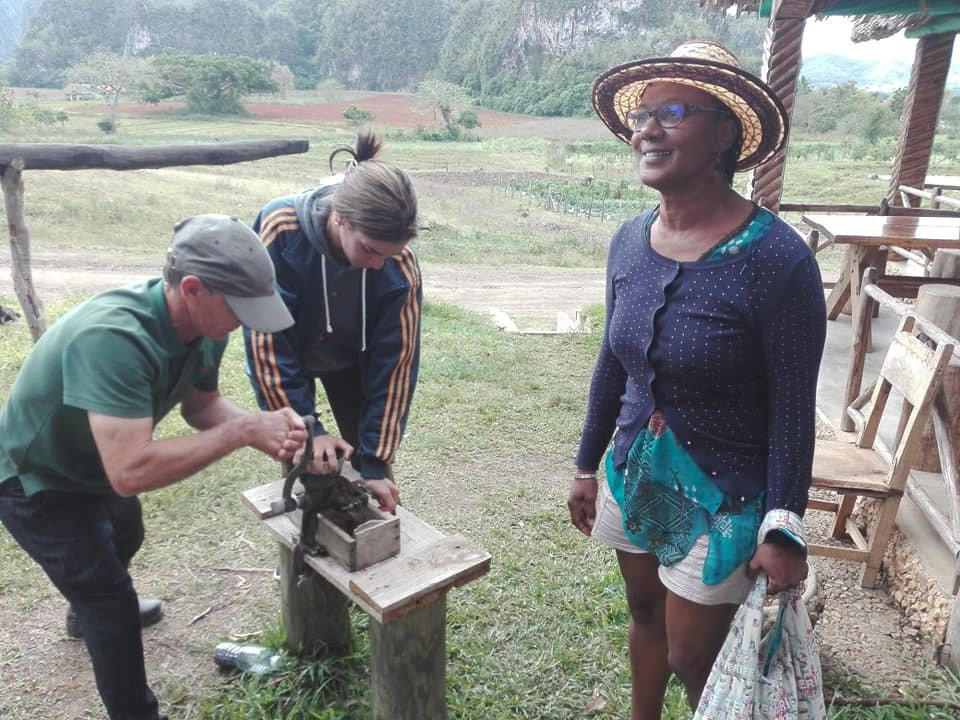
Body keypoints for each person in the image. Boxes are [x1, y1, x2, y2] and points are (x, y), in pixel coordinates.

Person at [566, 40, 827, 718]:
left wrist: (784, 525)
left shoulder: (778, 260)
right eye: (642, 115)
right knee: (643, 613)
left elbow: (795, 410)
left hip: (727, 496)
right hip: (634, 473)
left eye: (673, 111)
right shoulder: (628, 240)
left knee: (693, 656)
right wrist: (586, 464)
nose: (647, 130)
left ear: (725, 135)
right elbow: (611, 363)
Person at [0, 214, 309, 720]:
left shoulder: (205, 325)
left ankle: (82, 611)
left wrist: (263, 429)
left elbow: (201, 405)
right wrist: (242, 432)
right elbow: (131, 472)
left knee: (126, 531)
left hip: (94, 463)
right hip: (36, 477)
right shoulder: (114, 339)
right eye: (238, 307)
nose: (245, 320)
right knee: (112, 606)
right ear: (192, 288)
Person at [244, 131, 421, 514]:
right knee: (305, 463)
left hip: (354, 360)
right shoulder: (280, 229)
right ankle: (296, 560)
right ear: (340, 218)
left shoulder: (399, 264)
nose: (378, 265)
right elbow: (267, 347)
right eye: (370, 250)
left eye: (388, 256)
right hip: (293, 348)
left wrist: (374, 462)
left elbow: (396, 367)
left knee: (373, 475)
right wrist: (308, 431)